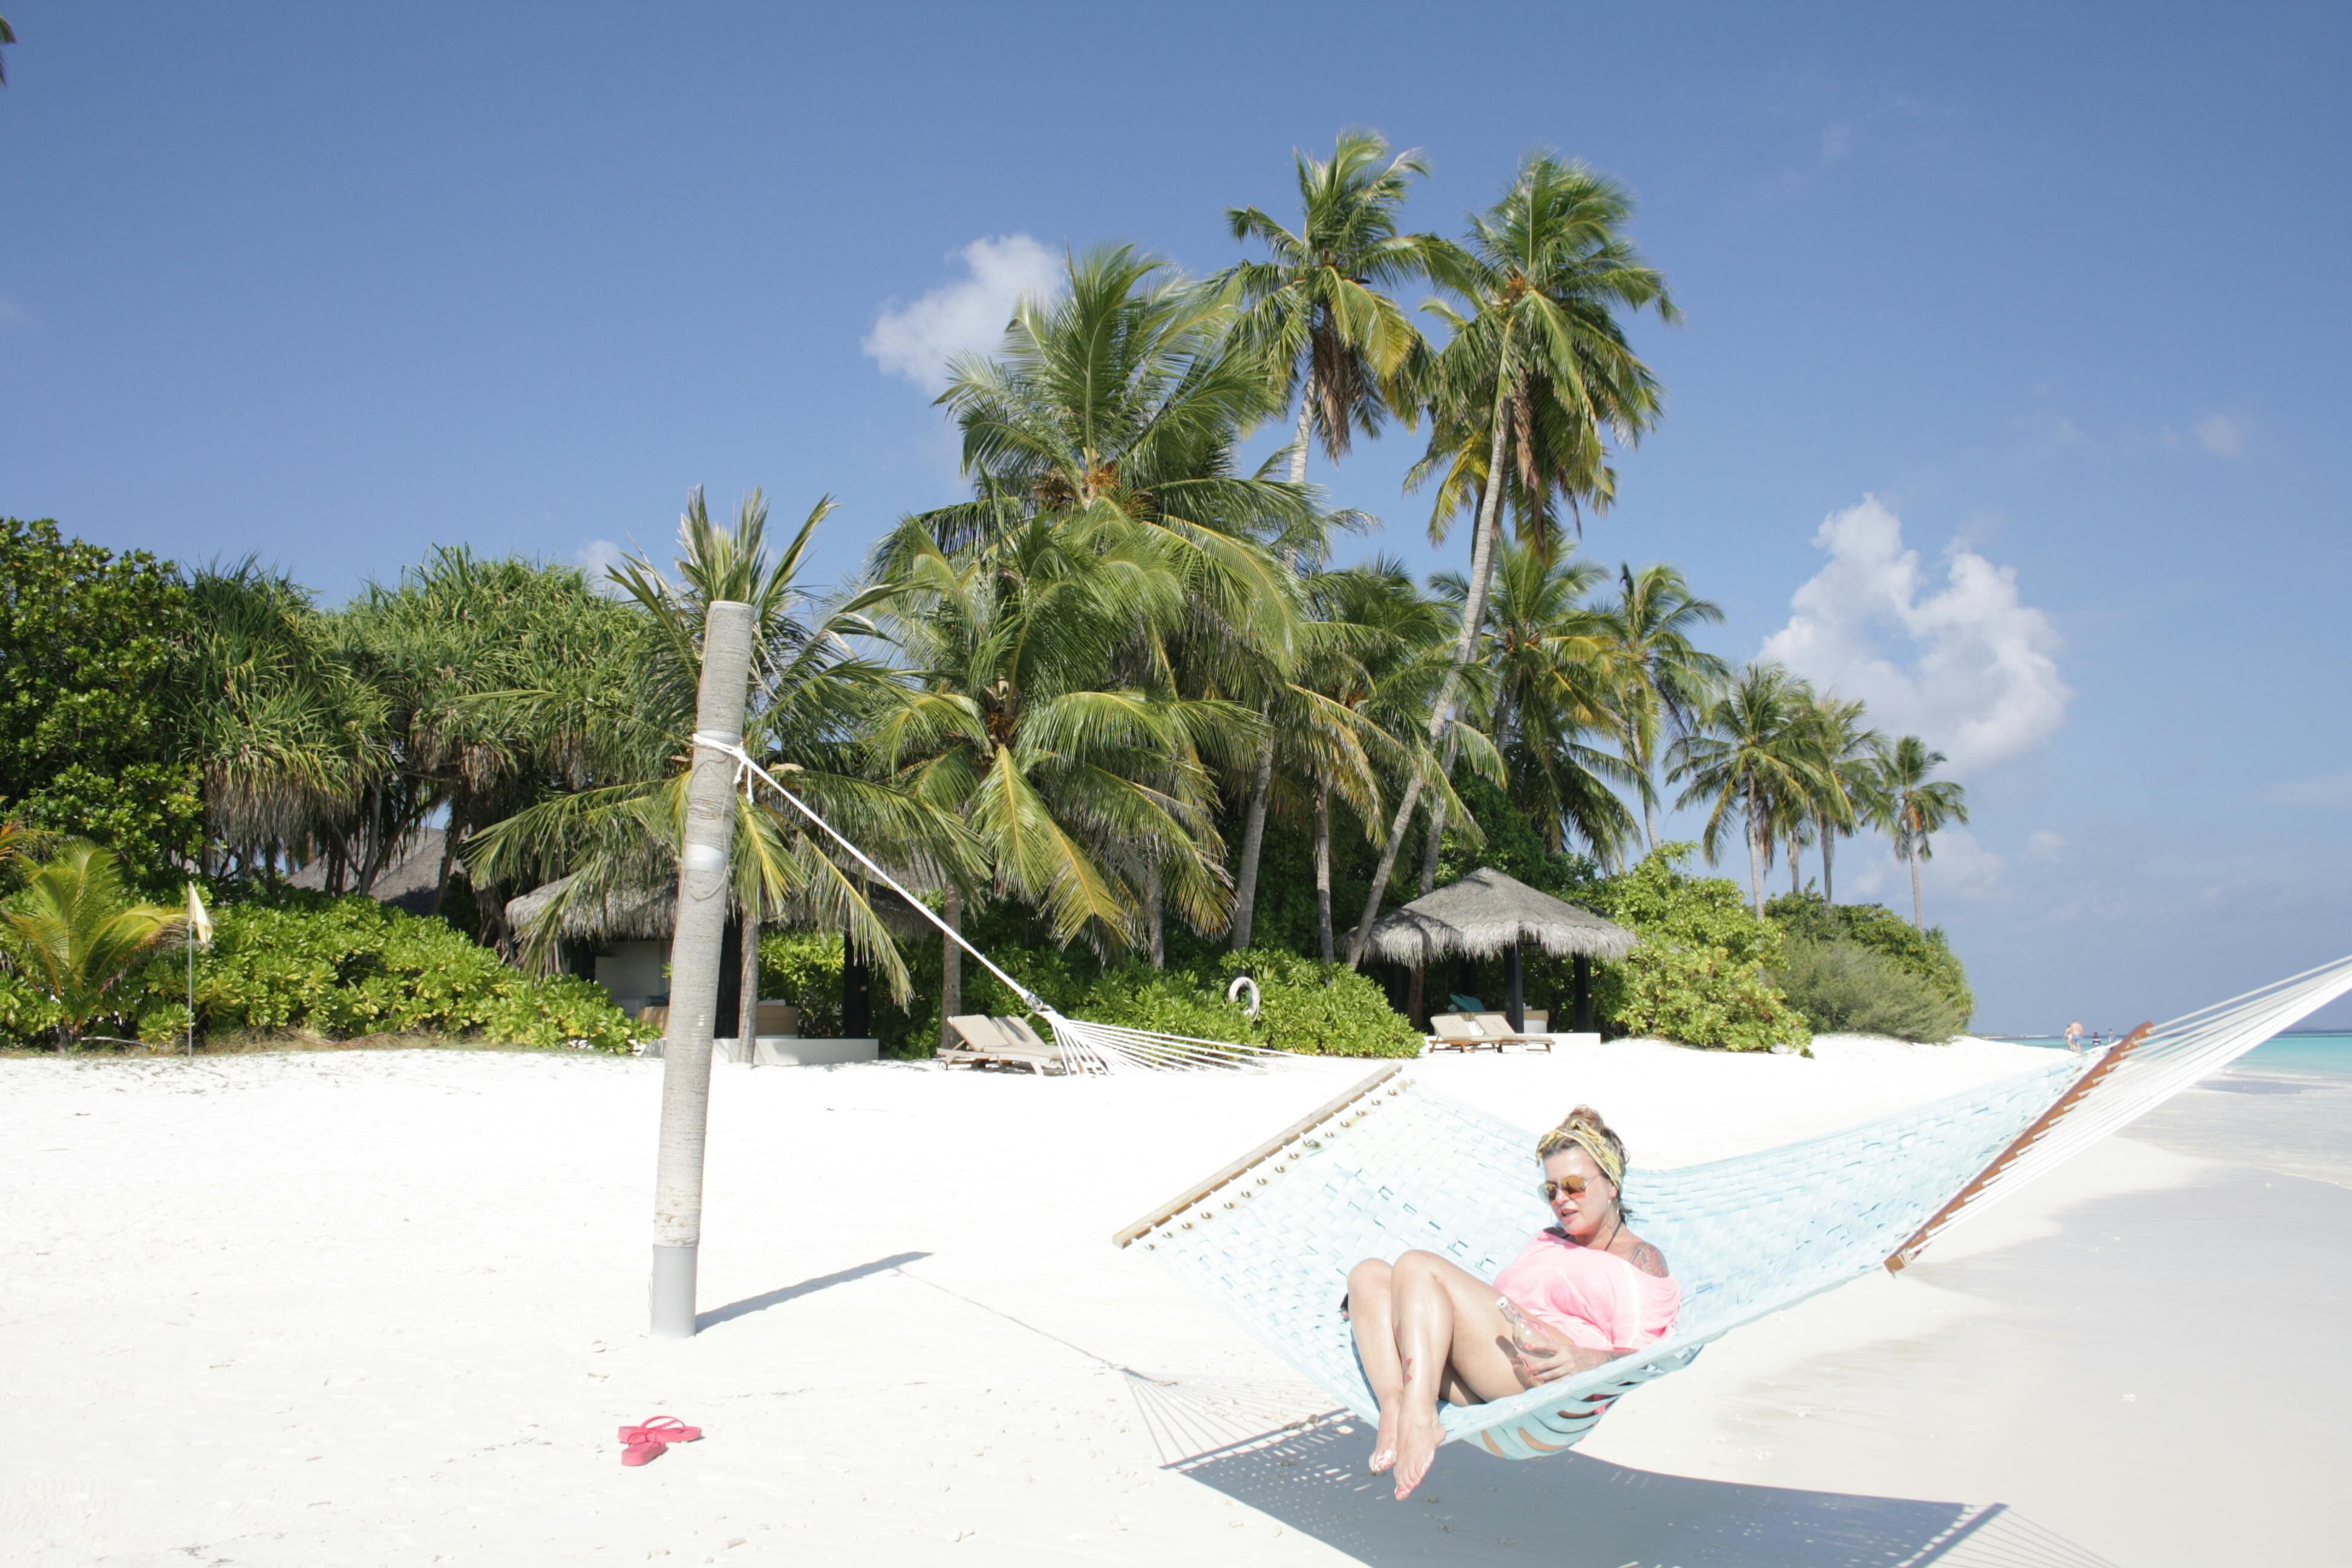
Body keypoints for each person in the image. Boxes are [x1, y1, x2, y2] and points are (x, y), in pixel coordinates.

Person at [1342, 1105, 1679, 1500]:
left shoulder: (1638, 1259)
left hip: (1545, 1378)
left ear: (1611, 1185)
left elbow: (1648, 1355)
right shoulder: (1548, 1239)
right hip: (1485, 1363)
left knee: (1417, 1265)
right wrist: (1395, 1304)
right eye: (1550, 1190)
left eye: (1574, 1185)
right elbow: (1493, 1309)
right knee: (1368, 1274)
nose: (1561, 1199)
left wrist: (1587, 1359)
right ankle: (1395, 1406)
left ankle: (1419, 1418)